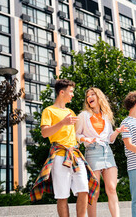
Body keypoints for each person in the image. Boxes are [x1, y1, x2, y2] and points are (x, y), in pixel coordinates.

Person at [30, 79, 98, 217]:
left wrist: (85, 139)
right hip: (60, 156)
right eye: (71, 91)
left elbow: (75, 134)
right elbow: (44, 133)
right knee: (62, 196)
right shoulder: (49, 111)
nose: (73, 94)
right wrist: (62, 122)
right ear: (62, 92)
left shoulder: (71, 112)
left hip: (76, 155)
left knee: (84, 190)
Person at [76, 87, 127, 217]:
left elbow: (110, 139)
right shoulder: (83, 115)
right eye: (87, 96)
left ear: (99, 97)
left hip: (107, 152)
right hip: (92, 152)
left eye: (92, 94)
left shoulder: (106, 116)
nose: (89, 97)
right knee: (94, 191)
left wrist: (117, 131)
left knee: (111, 188)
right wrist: (85, 138)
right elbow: (76, 135)